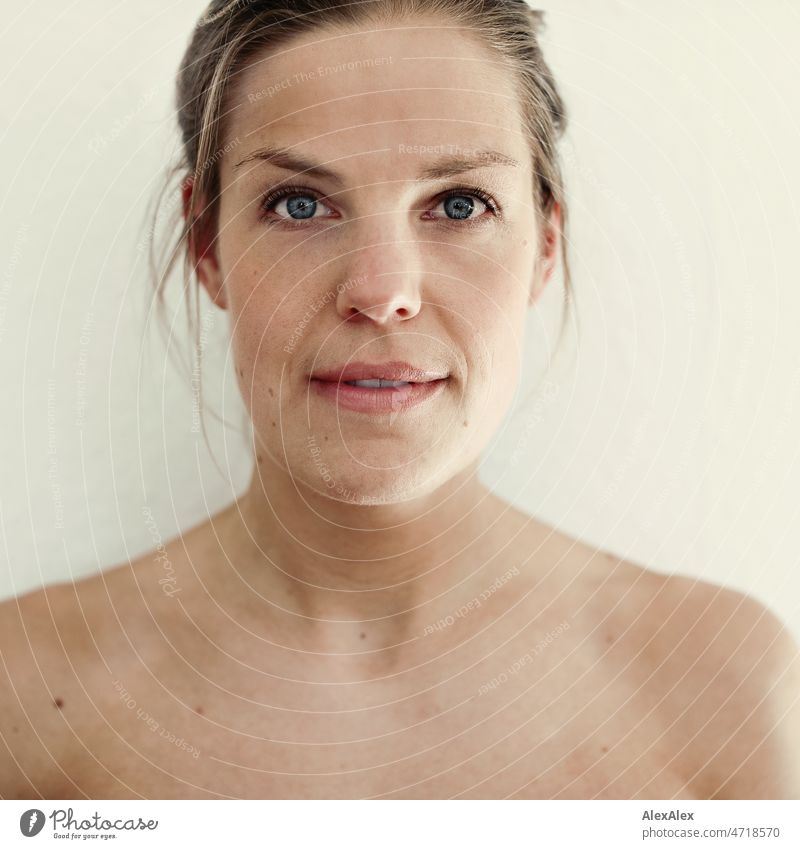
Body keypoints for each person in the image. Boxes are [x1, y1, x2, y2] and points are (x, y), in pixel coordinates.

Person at [1, 0, 798, 801]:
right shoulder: (26, 696)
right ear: (207, 247)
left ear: (544, 248)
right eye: (299, 204)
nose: (382, 294)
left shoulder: (725, 687)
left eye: (459, 204)